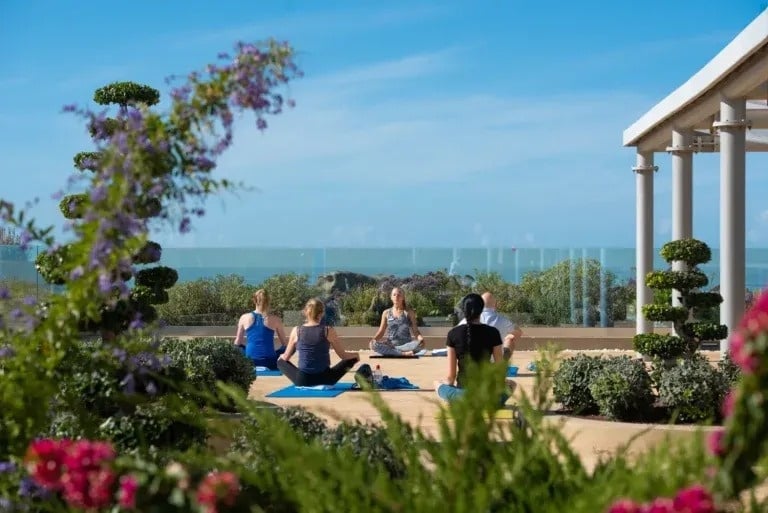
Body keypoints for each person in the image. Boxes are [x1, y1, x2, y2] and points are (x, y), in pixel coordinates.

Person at [433, 293, 514, 404]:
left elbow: (451, 377)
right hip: (487, 397)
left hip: (463, 396)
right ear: (481, 310)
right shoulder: (493, 332)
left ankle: (454, 399)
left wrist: (445, 385)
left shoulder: (453, 334)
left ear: (463, 310)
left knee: (436, 383)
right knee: (512, 384)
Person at [277, 298, 360, 386]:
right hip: (326, 379)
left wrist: (281, 357)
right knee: (352, 358)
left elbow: (286, 357)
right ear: (322, 313)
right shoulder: (328, 330)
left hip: (303, 380)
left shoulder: (296, 330)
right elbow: (343, 356)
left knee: (280, 362)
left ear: (305, 312)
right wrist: (356, 355)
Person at [458, 291, 523, 362]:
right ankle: (502, 364)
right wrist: (508, 337)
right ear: (495, 304)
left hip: (472, 364)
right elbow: (519, 332)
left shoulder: (465, 321)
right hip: (495, 362)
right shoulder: (503, 320)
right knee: (510, 339)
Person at [234, 289, 288, 370]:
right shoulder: (276, 319)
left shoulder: (244, 317)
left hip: (250, 360)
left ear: (254, 300)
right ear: (268, 301)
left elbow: (238, 342)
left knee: (238, 346)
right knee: (288, 347)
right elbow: (284, 343)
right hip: (270, 361)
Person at [369, 287, 426, 356]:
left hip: (406, 345)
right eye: (394, 295)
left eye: (399, 295)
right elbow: (381, 331)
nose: (396, 297)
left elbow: (415, 331)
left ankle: (394, 352)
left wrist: (421, 339)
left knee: (419, 344)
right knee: (374, 345)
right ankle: (402, 354)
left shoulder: (409, 312)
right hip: (390, 345)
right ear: (391, 297)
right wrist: (373, 340)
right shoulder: (386, 313)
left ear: (403, 297)